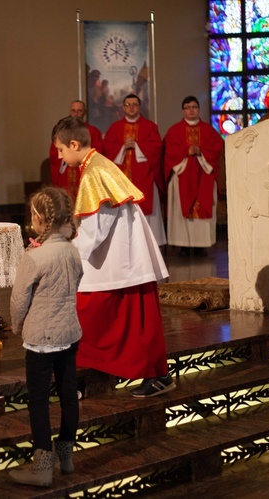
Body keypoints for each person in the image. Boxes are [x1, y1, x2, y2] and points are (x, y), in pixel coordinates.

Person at [53, 116, 175, 398]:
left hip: (119, 257)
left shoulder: (96, 171)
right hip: (116, 256)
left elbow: (98, 226)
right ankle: (90, 375)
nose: (59, 155)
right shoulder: (96, 165)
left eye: (61, 149)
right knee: (113, 315)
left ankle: (156, 374)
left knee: (100, 313)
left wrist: (69, 251)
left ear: (74, 144)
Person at [9, 186, 84, 487]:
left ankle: (41, 464)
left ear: (39, 219)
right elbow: (77, 282)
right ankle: (66, 456)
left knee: (38, 399)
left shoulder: (35, 257)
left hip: (41, 338)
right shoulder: (72, 250)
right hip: (70, 332)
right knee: (68, 395)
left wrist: (17, 326)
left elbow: (18, 299)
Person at [163, 96, 224, 257]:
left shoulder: (209, 130)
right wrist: (185, 151)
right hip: (182, 175)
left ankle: (200, 246)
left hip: (204, 175)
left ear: (198, 109)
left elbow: (217, 147)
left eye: (194, 107)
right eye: (188, 107)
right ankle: (183, 245)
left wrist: (201, 151)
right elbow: (169, 150)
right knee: (181, 208)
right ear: (183, 110)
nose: (191, 110)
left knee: (203, 205)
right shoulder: (174, 130)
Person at [103, 94, 167, 246]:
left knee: (147, 209)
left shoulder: (150, 127)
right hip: (121, 178)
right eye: (128, 104)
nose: (131, 107)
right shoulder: (115, 128)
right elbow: (107, 149)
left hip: (144, 177)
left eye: (134, 104)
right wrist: (123, 147)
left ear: (139, 107)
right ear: (123, 107)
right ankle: (123, 244)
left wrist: (137, 146)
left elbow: (156, 147)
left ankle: (150, 244)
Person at [49, 100, 103, 201]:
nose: (76, 113)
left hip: (83, 173)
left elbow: (96, 153)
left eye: (79, 111)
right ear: (70, 112)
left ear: (85, 112)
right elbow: (54, 151)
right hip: (66, 174)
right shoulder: (62, 131)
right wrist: (65, 157)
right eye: (73, 111)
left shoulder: (93, 131)